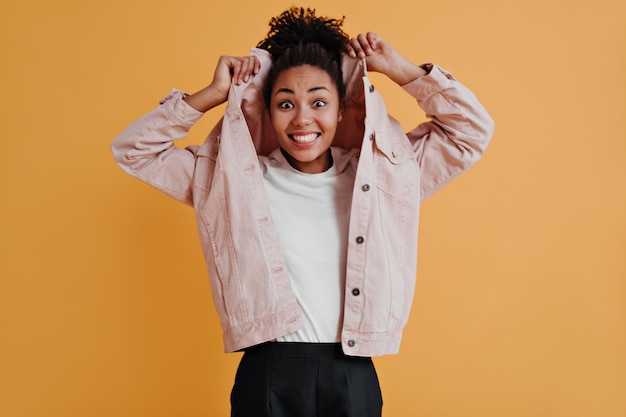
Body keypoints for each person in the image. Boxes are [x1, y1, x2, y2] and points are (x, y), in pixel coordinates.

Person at [111, 7, 494, 417]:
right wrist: (211, 94)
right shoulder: (233, 180)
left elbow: (471, 131)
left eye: (318, 102)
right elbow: (134, 150)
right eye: (286, 104)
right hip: (266, 373)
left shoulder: (386, 175)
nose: (303, 119)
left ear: (343, 110)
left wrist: (400, 69)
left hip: (352, 373)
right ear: (268, 112)